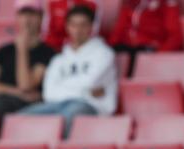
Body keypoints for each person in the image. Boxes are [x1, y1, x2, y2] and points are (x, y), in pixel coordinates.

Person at [19, 4, 117, 135]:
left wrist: (66, 87)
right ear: (67, 26)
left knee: (67, 115)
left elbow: (90, 82)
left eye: (83, 25)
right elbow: (49, 93)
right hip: (58, 105)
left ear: (91, 26)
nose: (78, 30)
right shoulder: (58, 59)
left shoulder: (104, 54)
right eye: (74, 25)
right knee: (20, 118)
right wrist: (86, 92)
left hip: (92, 106)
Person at [109, 0, 183, 74]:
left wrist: (157, 56)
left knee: (136, 57)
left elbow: (175, 37)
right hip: (127, 48)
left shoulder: (166, 3)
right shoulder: (130, 2)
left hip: (148, 50)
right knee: (109, 55)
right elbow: (118, 31)